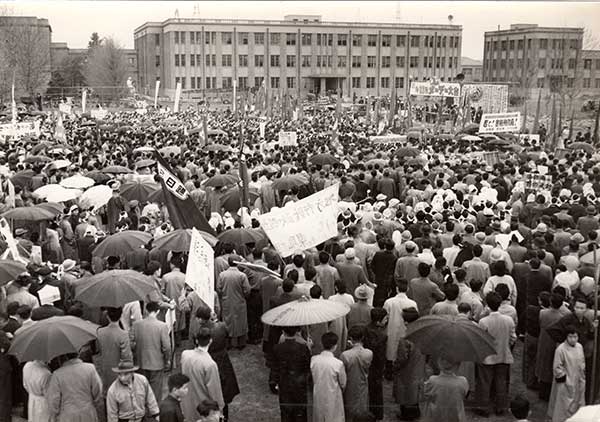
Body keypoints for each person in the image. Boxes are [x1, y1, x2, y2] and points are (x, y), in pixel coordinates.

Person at [195, 304, 239, 421]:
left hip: (209, 359)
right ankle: (224, 417)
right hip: (223, 360)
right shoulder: (221, 326)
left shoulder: (200, 332)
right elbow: (227, 335)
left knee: (210, 392)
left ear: (200, 319)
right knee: (224, 392)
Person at [476, 291, 516, 417]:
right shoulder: (508, 320)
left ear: (487, 304)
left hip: (487, 356)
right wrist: (506, 345)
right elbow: (513, 337)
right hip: (503, 354)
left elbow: (480, 340)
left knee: (484, 382)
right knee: (501, 381)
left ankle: (483, 407)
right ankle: (500, 407)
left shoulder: (484, 322)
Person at [130, 301, 171, 402]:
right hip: (156, 363)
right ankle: (154, 414)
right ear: (157, 311)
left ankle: (142, 411)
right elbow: (166, 347)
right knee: (155, 393)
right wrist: (167, 360)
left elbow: (131, 343)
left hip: (140, 362)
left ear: (146, 310)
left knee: (141, 391)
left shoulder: (136, 325)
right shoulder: (162, 326)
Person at [181, 328, 224, 422]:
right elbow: (215, 391)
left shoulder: (185, 354)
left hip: (187, 403)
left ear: (196, 340)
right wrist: (220, 410)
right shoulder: (210, 364)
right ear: (210, 341)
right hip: (203, 408)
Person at [46, 353, 103, 422]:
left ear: (65, 357)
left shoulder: (57, 374)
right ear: (78, 354)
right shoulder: (90, 368)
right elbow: (98, 389)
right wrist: (94, 402)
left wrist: (54, 415)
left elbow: (53, 400)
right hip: (88, 411)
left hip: (67, 415)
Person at [272, 325, 312, 422]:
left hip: (285, 385)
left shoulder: (277, 348)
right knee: (300, 412)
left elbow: (275, 368)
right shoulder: (303, 347)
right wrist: (309, 348)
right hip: (300, 384)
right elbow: (308, 367)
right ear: (296, 332)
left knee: (286, 412)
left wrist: (275, 382)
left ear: (283, 332)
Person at [392, 307, 425, 421]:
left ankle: (406, 415)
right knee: (414, 392)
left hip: (406, 371)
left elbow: (401, 359)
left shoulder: (405, 339)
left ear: (406, 322)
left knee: (405, 393)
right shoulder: (422, 334)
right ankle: (415, 413)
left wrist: (394, 366)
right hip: (418, 368)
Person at [548, 326, 586, 422]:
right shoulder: (560, 349)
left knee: (577, 404)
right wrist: (566, 381)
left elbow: (582, 362)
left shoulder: (579, 347)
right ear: (566, 337)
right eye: (570, 336)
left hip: (578, 380)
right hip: (565, 384)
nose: (573, 339)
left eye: (575, 336)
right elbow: (557, 368)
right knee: (563, 408)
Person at [383, 278, 417, 379]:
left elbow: (385, 318)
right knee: (403, 353)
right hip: (406, 331)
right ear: (407, 289)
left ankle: (389, 373)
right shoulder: (412, 303)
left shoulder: (389, 302)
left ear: (397, 289)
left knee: (390, 350)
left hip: (391, 329)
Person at [311, 331, 347, 422]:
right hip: (333, 394)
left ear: (321, 344)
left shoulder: (314, 360)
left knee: (319, 415)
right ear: (335, 346)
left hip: (318, 393)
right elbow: (343, 383)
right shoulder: (338, 363)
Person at [217, 255, 251, 349]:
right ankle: (241, 344)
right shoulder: (242, 275)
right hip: (240, 302)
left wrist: (224, 296)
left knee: (227, 322)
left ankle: (228, 344)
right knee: (241, 323)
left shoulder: (222, 275)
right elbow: (247, 290)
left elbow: (219, 289)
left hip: (226, 302)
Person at [96, 306, 133, 394]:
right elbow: (126, 356)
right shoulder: (123, 334)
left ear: (107, 316)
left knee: (107, 393)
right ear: (120, 316)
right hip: (119, 371)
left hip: (104, 368)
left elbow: (99, 350)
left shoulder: (100, 332)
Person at [422, 356, 469, 422]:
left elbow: (425, 393)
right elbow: (464, 394)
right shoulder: (463, 381)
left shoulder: (433, 380)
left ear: (439, 364)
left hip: (436, 415)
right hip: (456, 416)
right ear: (458, 365)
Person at [341, 325, 373, 421]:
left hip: (350, 385)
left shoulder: (345, 355)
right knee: (362, 408)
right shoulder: (369, 353)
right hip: (363, 384)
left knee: (349, 409)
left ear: (350, 338)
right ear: (363, 337)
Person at [363, 308, 387, 421]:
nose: (387, 320)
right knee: (376, 392)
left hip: (367, 366)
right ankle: (376, 414)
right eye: (385, 318)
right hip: (376, 368)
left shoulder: (365, 329)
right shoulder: (381, 336)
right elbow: (381, 357)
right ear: (378, 322)